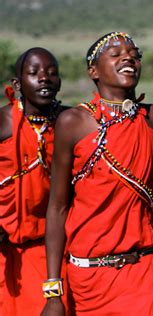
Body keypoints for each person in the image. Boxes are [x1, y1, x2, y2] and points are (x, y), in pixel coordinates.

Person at [41, 32, 153, 315]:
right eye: (115, 54)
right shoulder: (73, 122)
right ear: (93, 71)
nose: (128, 58)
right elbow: (57, 207)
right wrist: (53, 291)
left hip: (145, 271)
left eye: (134, 54)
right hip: (89, 278)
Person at [0, 48, 66, 315]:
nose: (44, 79)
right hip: (6, 252)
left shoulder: (70, 121)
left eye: (52, 73)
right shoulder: (3, 122)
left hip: (54, 248)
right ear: (17, 83)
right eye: (34, 73)